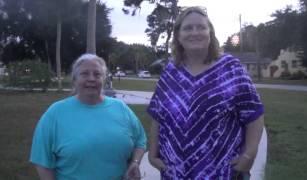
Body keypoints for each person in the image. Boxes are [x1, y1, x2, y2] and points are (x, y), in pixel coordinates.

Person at [147, 6, 265, 179]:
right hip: (174, 172)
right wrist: (152, 155)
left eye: (201, 27)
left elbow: (254, 114)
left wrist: (249, 155)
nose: (195, 32)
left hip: (222, 172)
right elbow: (158, 116)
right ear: (178, 36)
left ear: (210, 33)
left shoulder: (231, 68)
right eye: (188, 28)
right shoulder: (170, 71)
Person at [30, 54, 147, 180]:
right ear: (75, 79)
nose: (91, 79)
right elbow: (42, 162)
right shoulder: (55, 113)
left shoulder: (120, 108)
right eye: (85, 74)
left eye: (97, 74)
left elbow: (140, 141)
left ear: (104, 79)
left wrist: (135, 162)